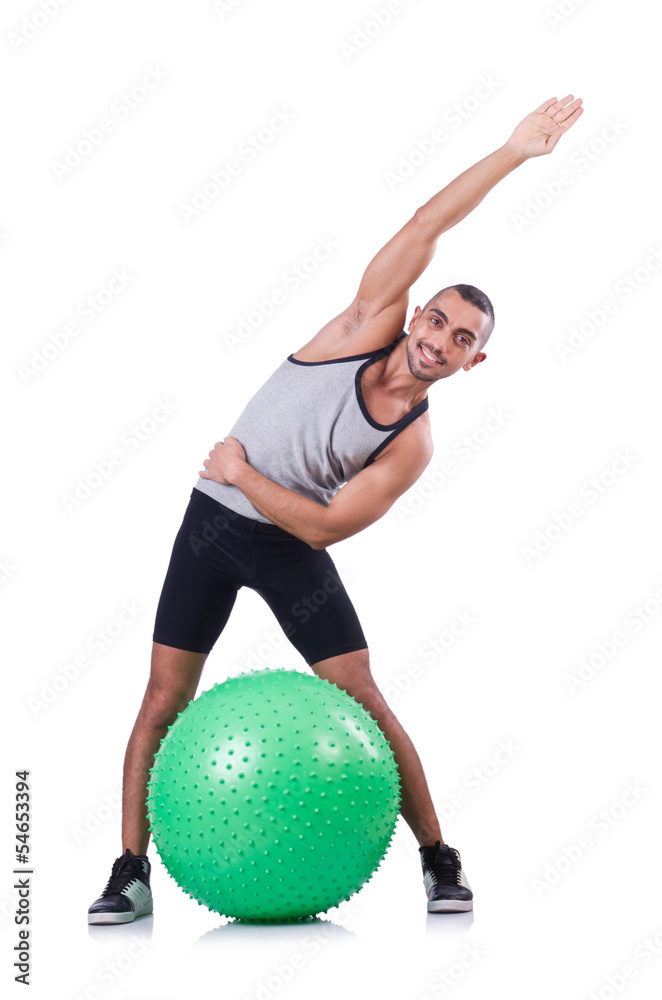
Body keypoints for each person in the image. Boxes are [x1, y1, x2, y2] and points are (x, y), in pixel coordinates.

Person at [88, 93, 584, 924]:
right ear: (417, 310)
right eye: (438, 319)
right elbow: (429, 221)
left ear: (474, 362)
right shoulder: (363, 322)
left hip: (283, 542)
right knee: (161, 702)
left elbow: (319, 527)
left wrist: (243, 473)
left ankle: (437, 859)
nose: (438, 339)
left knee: (366, 699)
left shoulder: (411, 445)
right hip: (209, 531)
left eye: (461, 340)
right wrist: (513, 152)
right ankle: (130, 872)